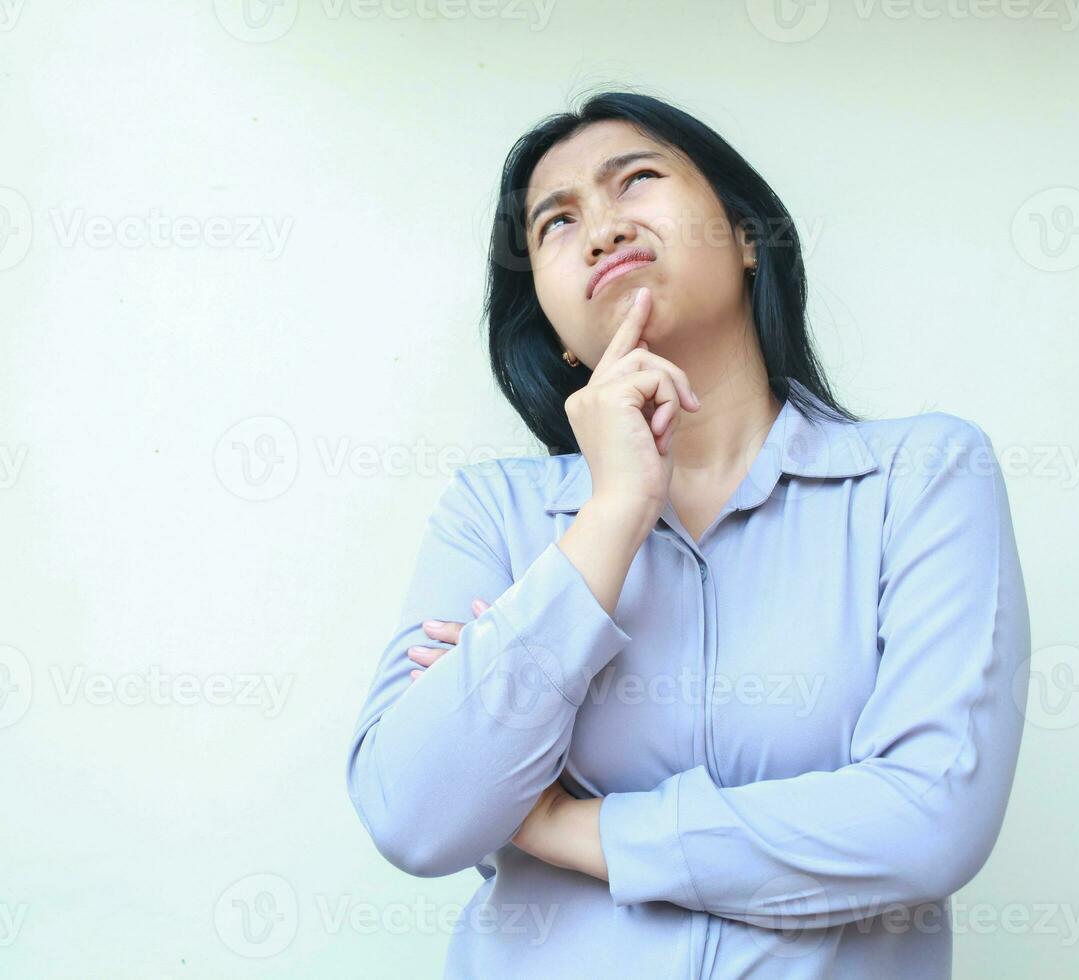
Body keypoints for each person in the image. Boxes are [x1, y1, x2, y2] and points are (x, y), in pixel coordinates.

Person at [346, 90, 1031, 979]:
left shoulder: (923, 477)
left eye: (635, 181)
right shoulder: (495, 515)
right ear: (552, 326)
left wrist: (562, 825)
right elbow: (414, 814)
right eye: (556, 223)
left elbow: (929, 821)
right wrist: (612, 514)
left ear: (748, 239)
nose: (599, 231)